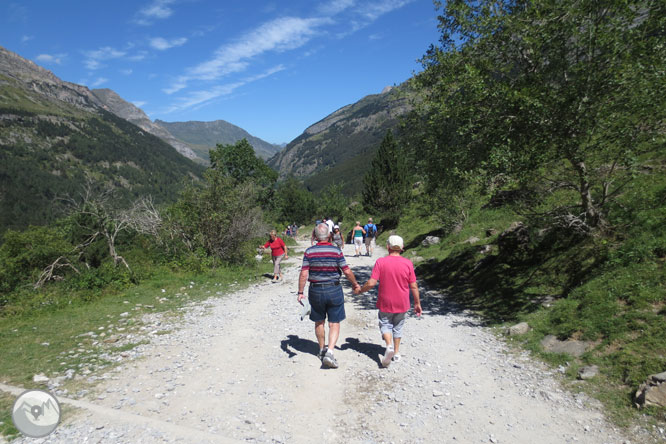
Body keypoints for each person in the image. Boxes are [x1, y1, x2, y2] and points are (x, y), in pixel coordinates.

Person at [297, 223, 361, 368]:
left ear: (314, 236)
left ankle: (321, 349)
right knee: (334, 322)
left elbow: (304, 273)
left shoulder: (309, 252)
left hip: (315, 290)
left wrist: (300, 292)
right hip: (334, 290)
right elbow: (347, 271)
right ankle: (330, 351)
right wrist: (355, 284)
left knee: (319, 321)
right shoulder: (336, 251)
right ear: (330, 235)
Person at [354, 235, 422, 367]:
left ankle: (389, 346)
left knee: (385, 324)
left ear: (387, 247)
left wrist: (361, 290)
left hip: (385, 301)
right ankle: (396, 353)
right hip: (402, 302)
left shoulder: (381, 262)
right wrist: (417, 303)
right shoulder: (408, 263)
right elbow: (413, 286)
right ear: (402, 248)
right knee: (398, 326)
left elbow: (372, 283)